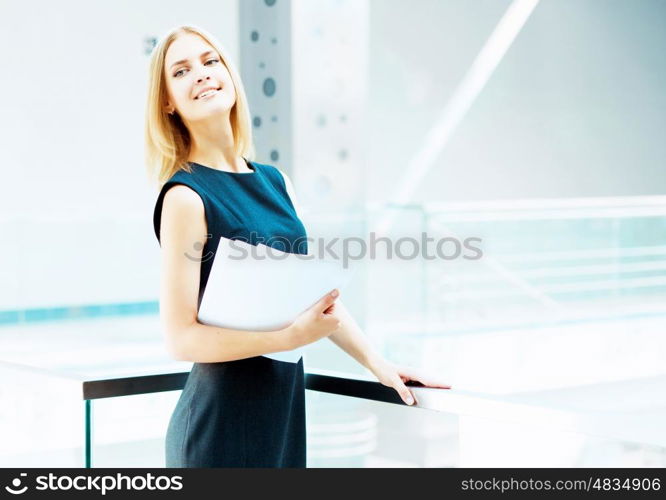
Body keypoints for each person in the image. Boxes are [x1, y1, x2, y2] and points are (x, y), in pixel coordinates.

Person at [145, 25, 451, 468]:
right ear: (168, 102)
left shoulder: (274, 182)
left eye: (211, 61)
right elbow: (180, 338)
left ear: (229, 75)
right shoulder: (185, 197)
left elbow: (314, 294)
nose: (202, 74)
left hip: (282, 414)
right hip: (218, 427)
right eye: (182, 70)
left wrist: (377, 364)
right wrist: (287, 337)